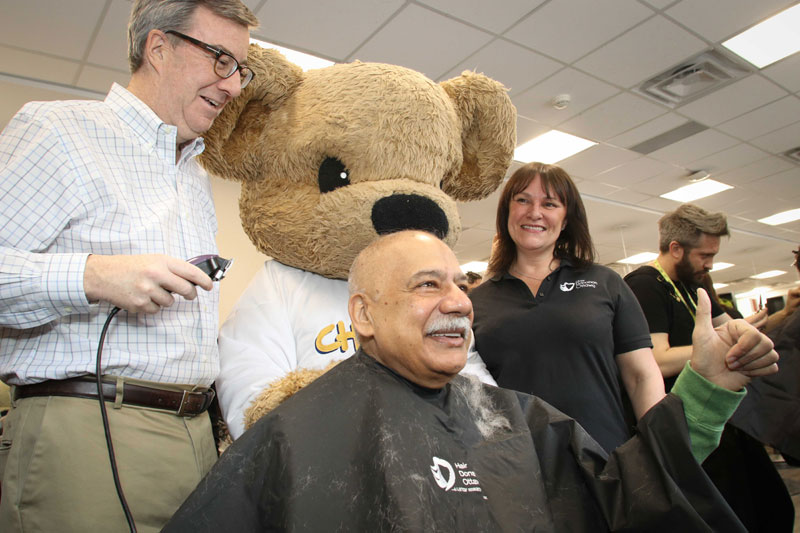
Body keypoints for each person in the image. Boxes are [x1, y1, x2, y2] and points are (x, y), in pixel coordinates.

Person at [163, 230, 779, 532]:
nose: (459, 301)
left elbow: (626, 495)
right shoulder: (294, 435)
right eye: (428, 285)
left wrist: (705, 386)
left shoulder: (520, 419)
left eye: (460, 285)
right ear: (364, 315)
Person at [0, 1, 258, 531]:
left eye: (240, 69)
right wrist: (94, 276)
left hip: (195, 435)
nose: (233, 85)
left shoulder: (193, 173)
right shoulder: (58, 130)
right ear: (158, 48)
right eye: (220, 60)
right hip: (88, 432)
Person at [470, 162, 664, 452]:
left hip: (607, 458)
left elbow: (641, 377)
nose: (534, 212)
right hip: (519, 463)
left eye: (549, 204)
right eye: (522, 200)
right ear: (506, 212)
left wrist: (657, 450)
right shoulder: (477, 302)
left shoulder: (605, 282)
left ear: (565, 220)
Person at [625, 204, 794, 532]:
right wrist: (711, 349)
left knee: (769, 504)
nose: (710, 264)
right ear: (676, 248)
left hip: (721, 414)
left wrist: (785, 314)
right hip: (688, 420)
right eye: (704, 255)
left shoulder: (693, 284)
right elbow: (657, 359)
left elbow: (734, 329)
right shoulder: (646, 285)